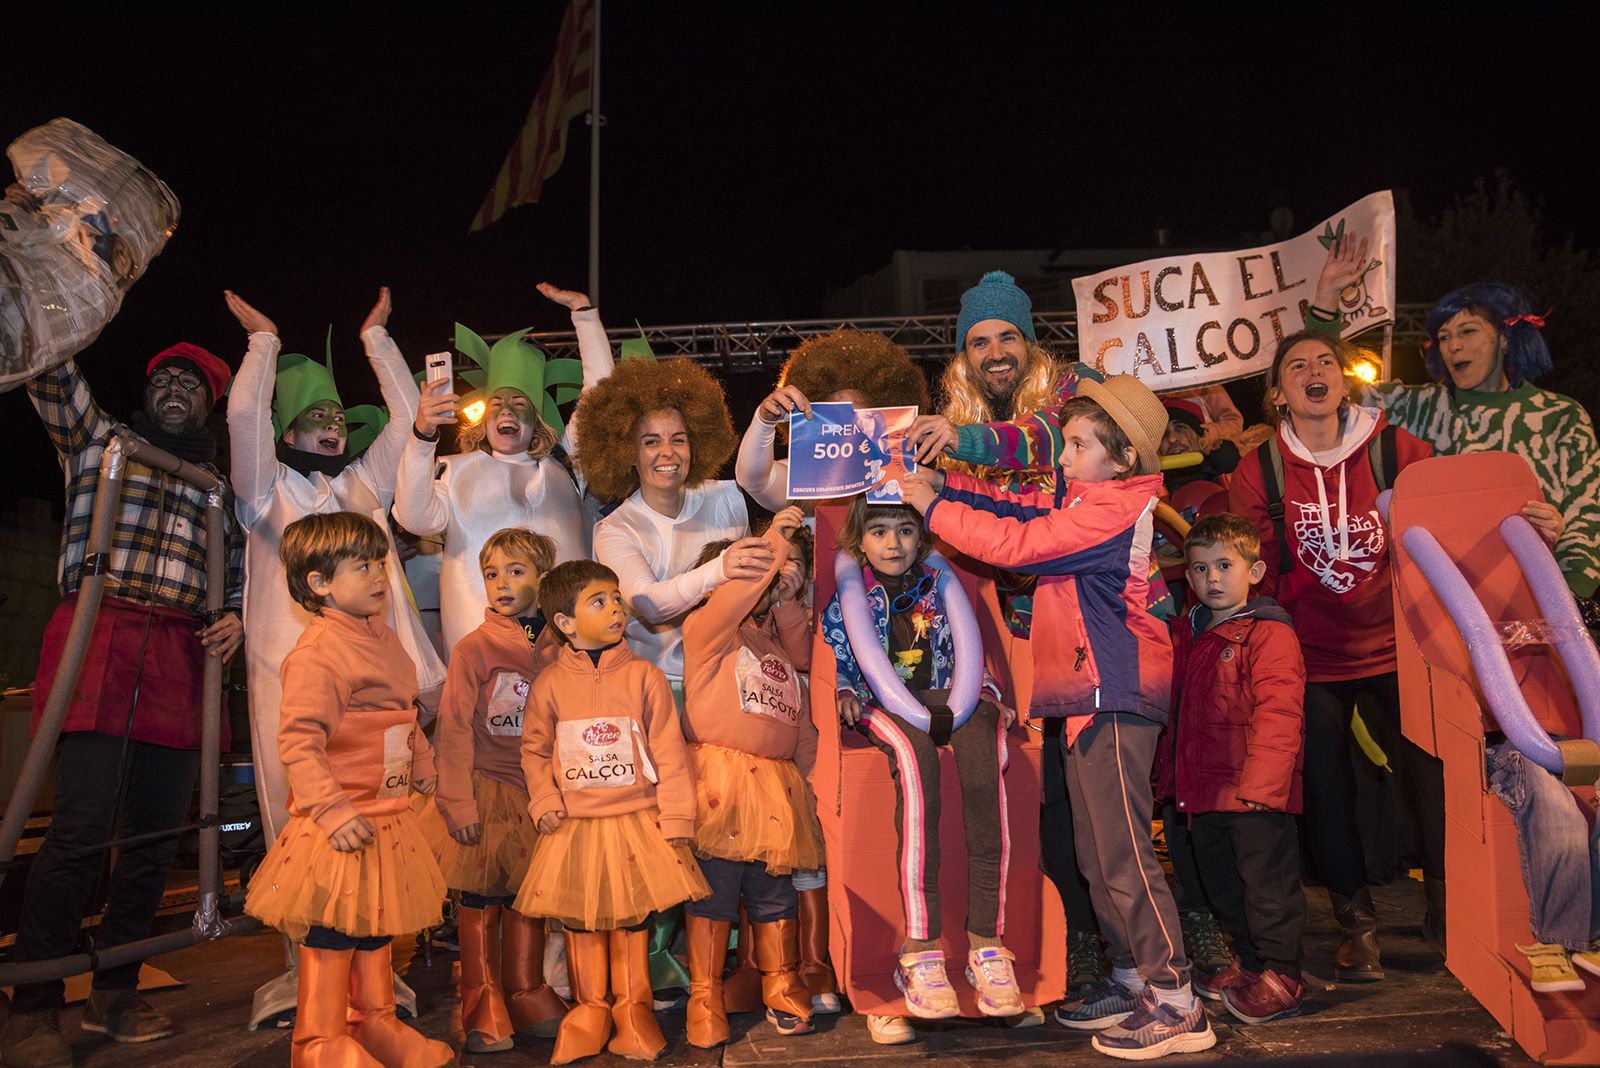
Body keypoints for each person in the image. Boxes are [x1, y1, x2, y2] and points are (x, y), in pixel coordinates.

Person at [903, 375, 1216, 1061]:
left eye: (1078, 446)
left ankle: (1177, 1000)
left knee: (1123, 849)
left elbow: (1018, 545)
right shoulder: (1085, 496)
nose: (1063, 457)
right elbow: (1012, 505)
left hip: (1115, 688)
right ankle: (1131, 976)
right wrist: (945, 482)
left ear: (1123, 459)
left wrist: (933, 509)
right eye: (1065, 443)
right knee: (1095, 850)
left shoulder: (1116, 509)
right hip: (1085, 691)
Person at [3, 340, 245, 1068]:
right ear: (146, 392)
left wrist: (236, 616)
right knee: (79, 827)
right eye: (163, 378)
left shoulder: (219, 489)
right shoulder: (99, 441)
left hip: (180, 651)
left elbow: (237, 577)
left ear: (208, 406)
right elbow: (50, 369)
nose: (174, 388)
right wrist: (59, 295)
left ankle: (116, 991)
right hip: (99, 632)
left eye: (191, 384)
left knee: (154, 834)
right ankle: (34, 1007)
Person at [1227, 329, 1437, 981]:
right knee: (1326, 787)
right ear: (1277, 394)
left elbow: (1449, 528)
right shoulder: (1258, 470)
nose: (1314, 370)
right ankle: (1358, 926)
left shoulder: (1398, 449)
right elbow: (1254, 571)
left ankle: (1449, 912)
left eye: (1326, 361)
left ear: (1344, 382)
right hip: (1310, 655)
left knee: (1432, 779)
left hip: (1402, 647)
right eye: (1297, 365)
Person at [733, 329, 926, 1021]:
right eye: (832, 412)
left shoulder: (897, 474)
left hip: (898, 662)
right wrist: (765, 421)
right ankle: (823, 962)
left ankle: (886, 953)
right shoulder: (807, 477)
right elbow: (752, 478)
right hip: (816, 661)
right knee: (821, 812)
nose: (846, 423)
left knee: (888, 807)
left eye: (858, 410)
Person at [223, 286, 445, 860]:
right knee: (298, 794)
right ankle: (303, 907)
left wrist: (377, 340)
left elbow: (408, 418)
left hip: (373, 671)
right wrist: (263, 342)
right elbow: (245, 415)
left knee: (384, 798)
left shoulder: (362, 484)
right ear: (288, 433)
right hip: (295, 671)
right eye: (317, 416)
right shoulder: (266, 492)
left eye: (339, 417)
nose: (333, 425)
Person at [242, 512, 452, 1068]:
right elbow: (299, 741)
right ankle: (319, 1039)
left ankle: (374, 1022)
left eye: (380, 563)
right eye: (362, 567)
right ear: (319, 583)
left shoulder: (382, 637)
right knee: (333, 931)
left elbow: (403, 713)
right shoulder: (319, 652)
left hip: (385, 815)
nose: (380, 576)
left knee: (376, 922)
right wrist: (331, 810)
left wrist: (423, 762)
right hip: (342, 821)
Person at [821, 496, 1024, 1028]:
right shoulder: (851, 595)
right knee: (917, 769)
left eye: (905, 530)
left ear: (922, 537)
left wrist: (988, 693)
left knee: (986, 774)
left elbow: (968, 650)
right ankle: (920, 948)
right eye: (880, 532)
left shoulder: (940, 586)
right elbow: (839, 653)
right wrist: (843, 689)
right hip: (885, 703)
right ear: (859, 541)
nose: (893, 544)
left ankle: (987, 943)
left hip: (950, 699)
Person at [1305, 240, 1592, 600]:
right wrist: (1327, 298)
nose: (1453, 345)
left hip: (1541, 603)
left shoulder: (1562, 417)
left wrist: (1567, 603)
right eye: (1443, 337)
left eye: (1467, 331)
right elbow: (1327, 393)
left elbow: (1588, 517)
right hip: (1438, 602)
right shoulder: (1420, 407)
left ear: (1504, 339)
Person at [514, 560, 710, 1064]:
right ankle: (589, 1011)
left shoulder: (645, 676)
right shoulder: (549, 684)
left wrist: (677, 814)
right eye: (598, 602)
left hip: (635, 821)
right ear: (565, 622)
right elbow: (533, 751)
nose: (616, 609)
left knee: (631, 919)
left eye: (616, 598)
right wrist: (544, 800)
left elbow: (669, 749)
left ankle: (632, 1010)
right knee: (581, 920)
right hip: (574, 827)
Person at [392, 282, 614, 656]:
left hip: (565, 651)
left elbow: (601, 395)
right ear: (484, 419)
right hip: (483, 657)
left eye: (519, 403)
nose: (507, 410)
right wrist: (422, 435)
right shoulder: (452, 471)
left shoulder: (564, 464)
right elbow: (414, 518)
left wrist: (584, 315)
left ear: (537, 419)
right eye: (496, 403)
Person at [679, 506, 822, 1045]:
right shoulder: (707, 631)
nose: (764, 581)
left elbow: (801, 696)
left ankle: (780, 982)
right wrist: (774, 541)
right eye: (752, 573)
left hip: (777, 790)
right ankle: (704, 994)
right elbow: (731, 601)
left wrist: (786, 600)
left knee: (774, 894)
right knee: (714, 894)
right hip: (719, 787)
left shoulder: (775, 647)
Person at [1160, 514, 1308, 1024]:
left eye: (1225, 566)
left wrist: (1264, 787)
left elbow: (1280, 711)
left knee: (1268, 889)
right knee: (1225, 886)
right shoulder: (1191, 631)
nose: (1213, 578)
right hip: (1204, 793)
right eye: (1201, 569)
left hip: (1255, 794)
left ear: (1255, 571)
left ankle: (1284, 975)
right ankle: (1250, 965)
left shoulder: (1269, 632)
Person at [431, 527, 568, 1052]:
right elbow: (453, 728)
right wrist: (457, 801)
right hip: (487, 790)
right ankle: (482, 1002)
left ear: (544, 580)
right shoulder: (474, 648)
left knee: (528, 896)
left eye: (515, 572)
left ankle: (526, 991)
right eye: (491, 574)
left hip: (540, 795)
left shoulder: (562, 647)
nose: (501, 584)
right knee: (481, 894)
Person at [735, 329, 930, 513]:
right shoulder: (803, 475)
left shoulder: (901, 472)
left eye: (858, 417)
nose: (847, 427)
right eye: (835, 416)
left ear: (880, 418)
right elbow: (753, 480)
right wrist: (764, 422)